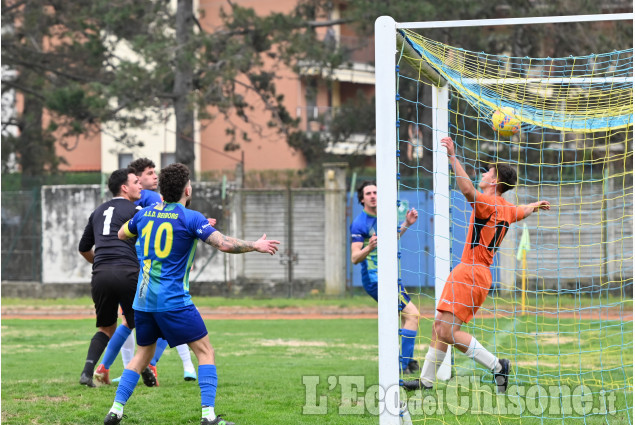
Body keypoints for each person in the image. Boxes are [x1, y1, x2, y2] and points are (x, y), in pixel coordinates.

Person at [104, 163, 280, 425]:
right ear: (187, 189)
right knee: (205, 352)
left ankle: (115, 411)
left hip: (143, 301)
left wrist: (146, 232)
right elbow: (223, 244)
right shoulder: (191, 218)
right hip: (173, 300)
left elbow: (121, 233)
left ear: (162, 190)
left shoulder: (146, 213)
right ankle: (208, 417)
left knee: (143, 354)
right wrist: (255, 245)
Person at [403, 136, 550, 393]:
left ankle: (497, 366)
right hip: (472, 272)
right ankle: (425, 382)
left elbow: (468, 191)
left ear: (494, 181)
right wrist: (534, 206)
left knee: (447, 331)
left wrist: (452, 157)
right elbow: (521, 211)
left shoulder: (490, 203)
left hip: (471, 272)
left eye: (487, 172)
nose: (482, 175)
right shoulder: (508, 207)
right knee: (440, 327)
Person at [95, 158, 197, 386]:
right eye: (149, 173)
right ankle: (154, 364)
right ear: (136, 179)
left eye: (155, 173)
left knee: (130, 323)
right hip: (151, 271)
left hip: (139, 271)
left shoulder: (138, 201)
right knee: (169, 317)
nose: (154, 177)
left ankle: (106, 368)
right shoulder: (150, 199)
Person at [78, 168, 143, 387]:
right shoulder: (137, 210)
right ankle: (144, 371)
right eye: (136, 181)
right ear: (125, 187)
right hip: (128, 272)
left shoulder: (98, 211)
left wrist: (101, 263)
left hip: (101, 274)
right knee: (142, 323)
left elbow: (84, 247)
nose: (140, 185)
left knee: (106, 328)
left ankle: (87, 372)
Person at [350, 181, 421, 375]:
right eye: (368, 193)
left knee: (406, 317)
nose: (373, 195)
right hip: (376, 281)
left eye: (375, 192)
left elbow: (391, 237)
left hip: (389, 278)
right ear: (362, 198)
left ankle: (407, 360)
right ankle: (403, 364)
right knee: (412, 315)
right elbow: (355, 258)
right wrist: (369, 247)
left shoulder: (385, 217)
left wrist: (406, 224)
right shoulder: (359, 223)